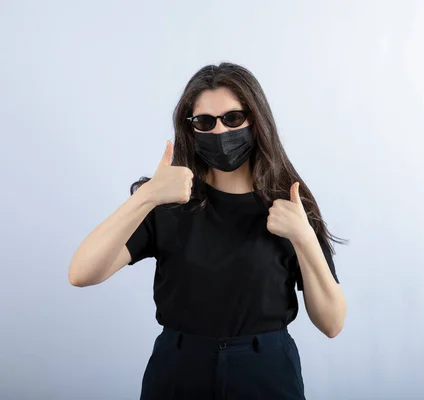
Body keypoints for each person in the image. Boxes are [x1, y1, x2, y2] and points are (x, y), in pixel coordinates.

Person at [68, 62, 347, 399]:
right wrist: (147, 196)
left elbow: (332, 323)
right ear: (191, 128)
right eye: (205, 122)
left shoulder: (288, 205)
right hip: (180, 368)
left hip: (266, 370)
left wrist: (303, 238)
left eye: (232, 118)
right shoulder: (167, 203)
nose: (220, 132)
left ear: (256, 120)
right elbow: (81, 273)